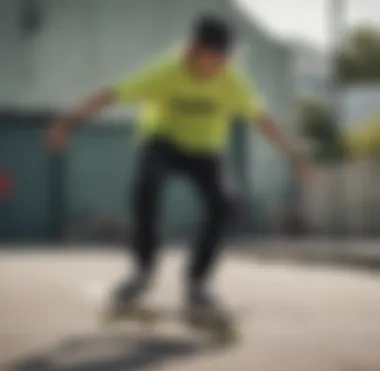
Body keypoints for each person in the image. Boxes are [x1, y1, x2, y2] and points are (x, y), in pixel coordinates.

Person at [47, 14, 313, 320]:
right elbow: (111, 95)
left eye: (221, 59)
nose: (214, 66)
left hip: (206, 150)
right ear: (193, 50)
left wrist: (296, 156)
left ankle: (197, 283)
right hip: (163, 141)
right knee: (146, 185)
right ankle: (143, 272)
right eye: (208, 57)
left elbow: (263, 121)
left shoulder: (233, 81)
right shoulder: (167, 71)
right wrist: (67, 123)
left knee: (224, 204)